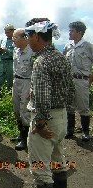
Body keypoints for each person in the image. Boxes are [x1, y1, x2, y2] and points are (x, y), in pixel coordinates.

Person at [25, 18, 74, 188]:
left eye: (28, 36)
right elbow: (70, 89)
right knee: (57, 162)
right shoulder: (61, 57)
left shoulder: (41, 61)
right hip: (60, 117)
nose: (27, 40)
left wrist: (40, 124)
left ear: (37, 36)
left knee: (41, 170)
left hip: (46, 120)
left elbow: (42, 96)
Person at [63, 21, 93, 141]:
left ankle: (85, 131)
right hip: (68, 80)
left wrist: (91, 78)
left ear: (79, 32)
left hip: (82, 81)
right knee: (69, 106)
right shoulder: (68, 46)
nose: (69, 33)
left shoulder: (88, 46)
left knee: (83, 106)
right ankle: (70, 129)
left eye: (72, 31)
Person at [11, 28, 34, 151]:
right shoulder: (16, 50)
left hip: (27, 81)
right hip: (17, 80)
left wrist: (32, 88)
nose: (13, 40)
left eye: (15, 37)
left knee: (25, 110)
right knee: (16, 109)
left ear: (24, 38)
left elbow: (35, 72)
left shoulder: (32, 52)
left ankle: (26, 139)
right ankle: (21, 134)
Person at [0, 24, 15, 96]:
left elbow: (16, 53)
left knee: (10, 78)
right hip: (2, 61)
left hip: (10, 61)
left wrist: (7, 50)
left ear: (13, 31)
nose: (6, 34)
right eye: (5, 32)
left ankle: (10, 94)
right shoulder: (4, 40)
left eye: (8, 32)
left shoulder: (15, 40)